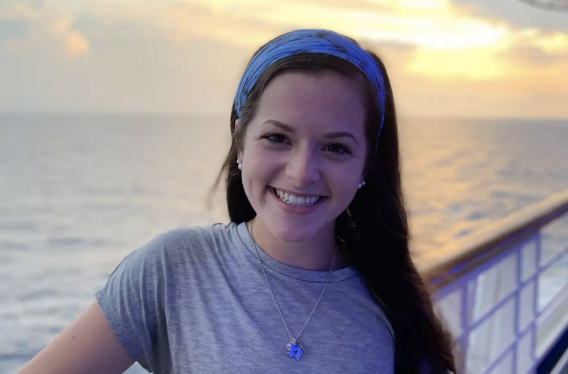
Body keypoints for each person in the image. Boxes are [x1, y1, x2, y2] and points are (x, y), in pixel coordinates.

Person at [17, 29, 455, 374]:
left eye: (336, 147)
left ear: (366, 166)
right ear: (239, 143)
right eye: (277, 138)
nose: (302, 171)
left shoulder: (395, 306)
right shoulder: (172, 270)